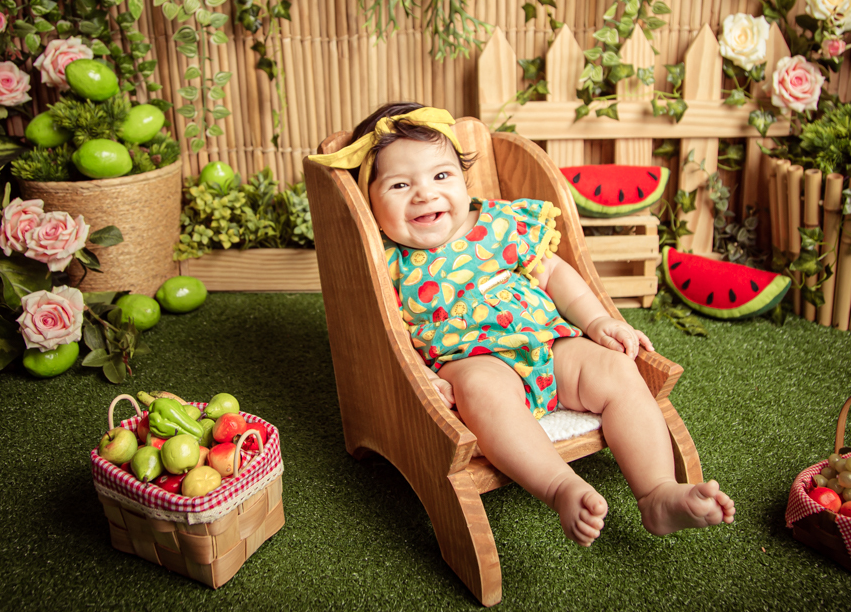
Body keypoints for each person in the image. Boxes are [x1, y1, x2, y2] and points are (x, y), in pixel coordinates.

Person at [309, 103, 734, 546]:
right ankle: (559, 486)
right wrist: (417, 379)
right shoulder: (385, 260)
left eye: (441, 176)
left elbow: (553, 272)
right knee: (482, 395)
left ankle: (657, 493)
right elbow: (385, 330)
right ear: (368, 199)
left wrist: (596, 320)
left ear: (462, 177)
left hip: (548, 342)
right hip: (471, 359)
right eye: (400, 184)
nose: (425, 194)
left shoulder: (499, 222)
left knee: (618, 372)